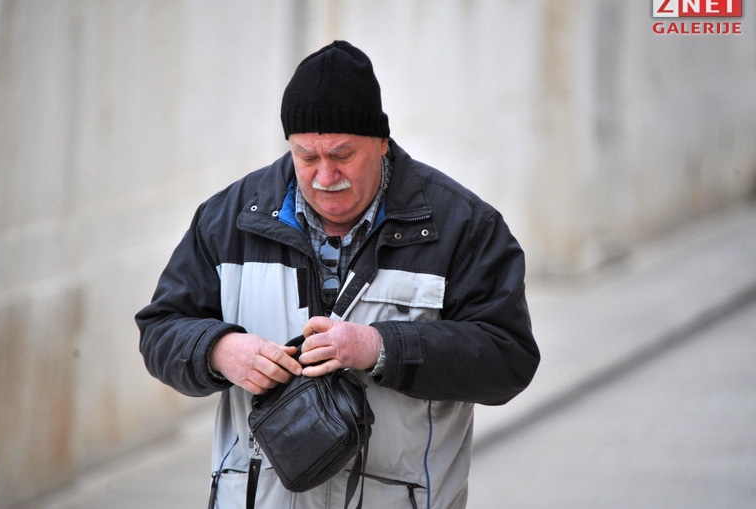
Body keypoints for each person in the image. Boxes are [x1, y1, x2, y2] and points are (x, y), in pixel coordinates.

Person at [136, 40, 539, 509]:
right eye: (307, 157)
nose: (325, 176)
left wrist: (380, 348)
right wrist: (220, 351)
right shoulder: (226, 219)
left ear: (382, 142)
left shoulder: (464, 227)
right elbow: (161, 330)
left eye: (343, 155)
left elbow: (508, 359)